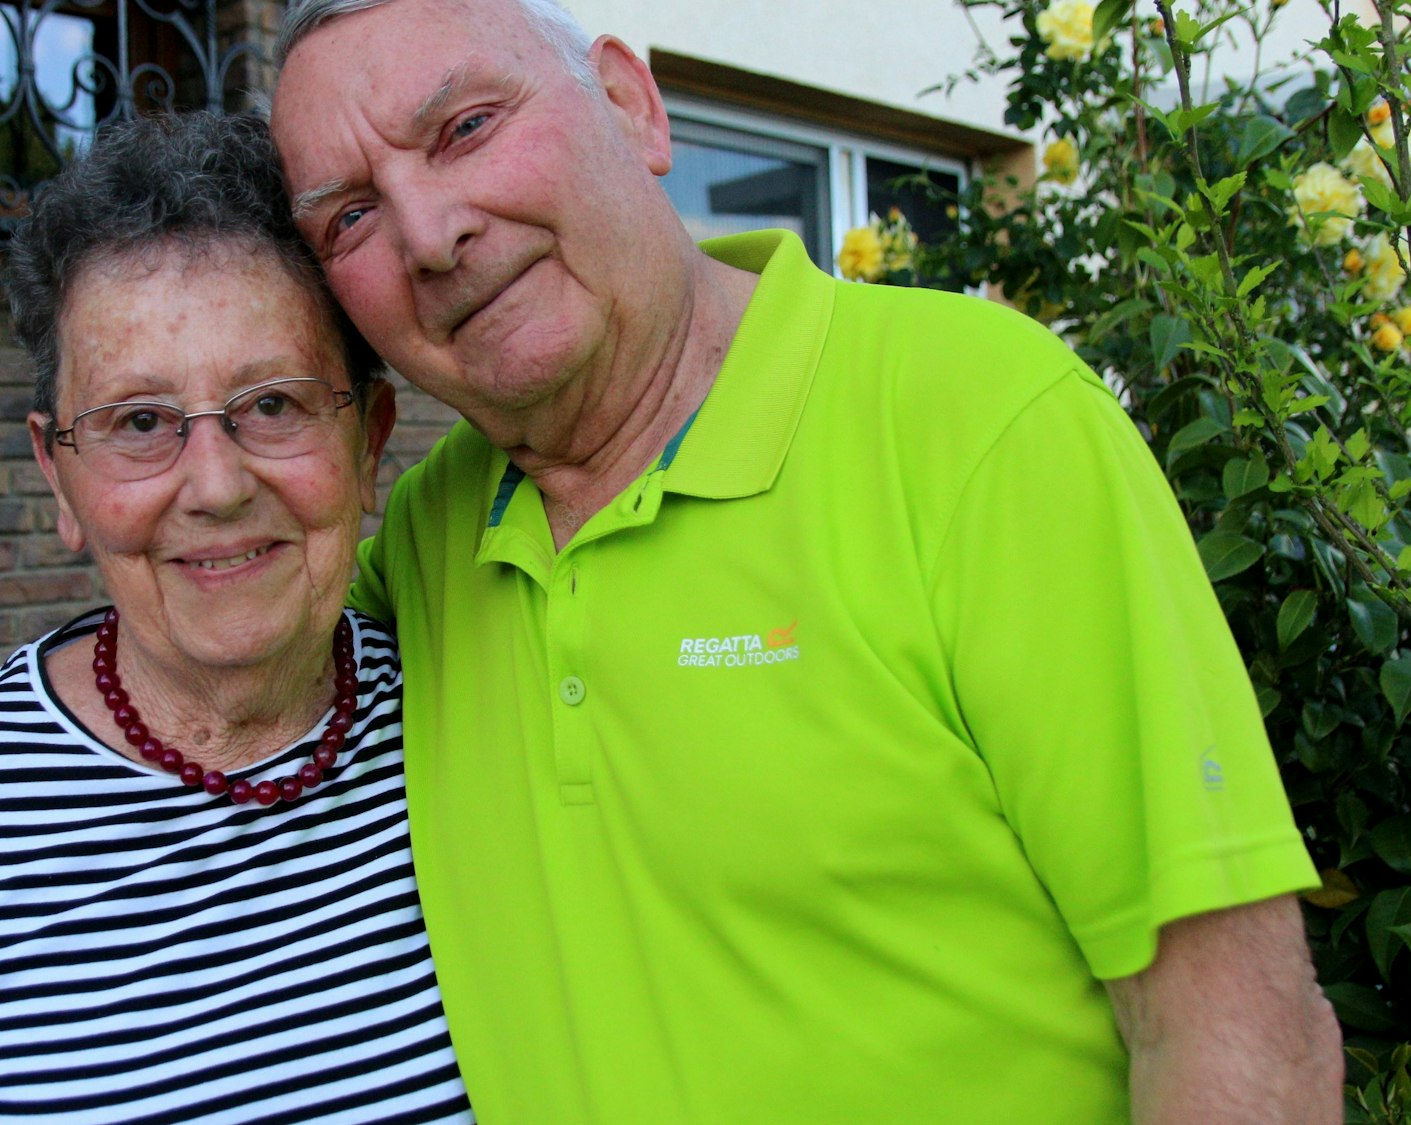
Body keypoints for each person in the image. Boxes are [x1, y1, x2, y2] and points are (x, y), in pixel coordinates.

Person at [268, 0, 1343, 1120]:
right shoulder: (425, 545)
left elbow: (1241, 1037)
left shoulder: (976, 420)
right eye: (350, 217)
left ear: (631, 106)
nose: (428, 234)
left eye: (466, 128)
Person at [0, 112, 473, 1124]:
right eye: (138, 421)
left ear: (369, 441)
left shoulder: (475, 704)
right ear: (58, 474)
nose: (215, 486)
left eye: (272, 404)